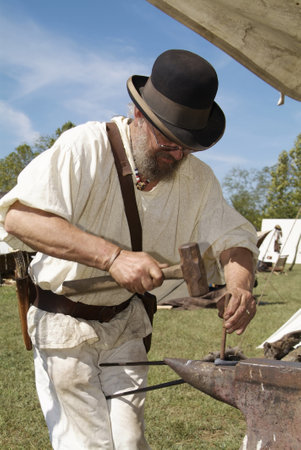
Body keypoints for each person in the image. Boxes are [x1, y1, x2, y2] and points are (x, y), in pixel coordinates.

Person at [0, 49, 258, 449]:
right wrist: (112, 257)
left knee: (131, 440)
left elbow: (235, 239)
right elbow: (18, 218)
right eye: (169, 143)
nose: (177, 157)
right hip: (65, 323)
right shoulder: (84, 147)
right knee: (88, 445)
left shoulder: (197, 179)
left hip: (125, 323)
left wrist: (240, 285)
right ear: (140, 116)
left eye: (188, 148)